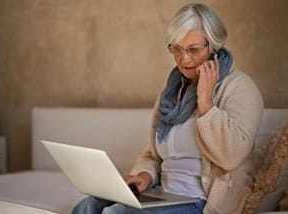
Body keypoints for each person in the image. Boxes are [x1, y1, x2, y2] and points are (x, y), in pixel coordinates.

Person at [72, 3, 263, 214]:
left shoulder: (240, 88)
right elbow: (153, 154)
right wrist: (145, 175)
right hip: (162, 194)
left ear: (213, 46)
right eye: (177, 49)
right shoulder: (171, 93)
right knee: (88, 205)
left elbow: (232, 156)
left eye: (193, 49)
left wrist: (206, 103)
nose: (184, 59)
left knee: (117, 213)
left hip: (199, 200)